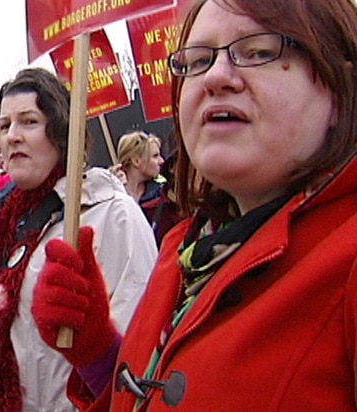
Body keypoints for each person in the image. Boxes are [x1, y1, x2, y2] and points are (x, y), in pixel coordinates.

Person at [26, 0, 357, 410]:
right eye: (197, 60)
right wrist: (97, 351)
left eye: (259, 51)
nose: (216, 76)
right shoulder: (184, 251)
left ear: (341, 91)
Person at [0, 67, 158, 411]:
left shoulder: (112, 213)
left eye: (29, 122)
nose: (13, 136)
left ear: (63, 131)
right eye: (5, 126)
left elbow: (137, 346)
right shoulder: (5, 221)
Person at [113, 131, 165, 203]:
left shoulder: (162, 193)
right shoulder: (113, 195)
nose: (162, 161)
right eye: (155, 156)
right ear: (136, 161)